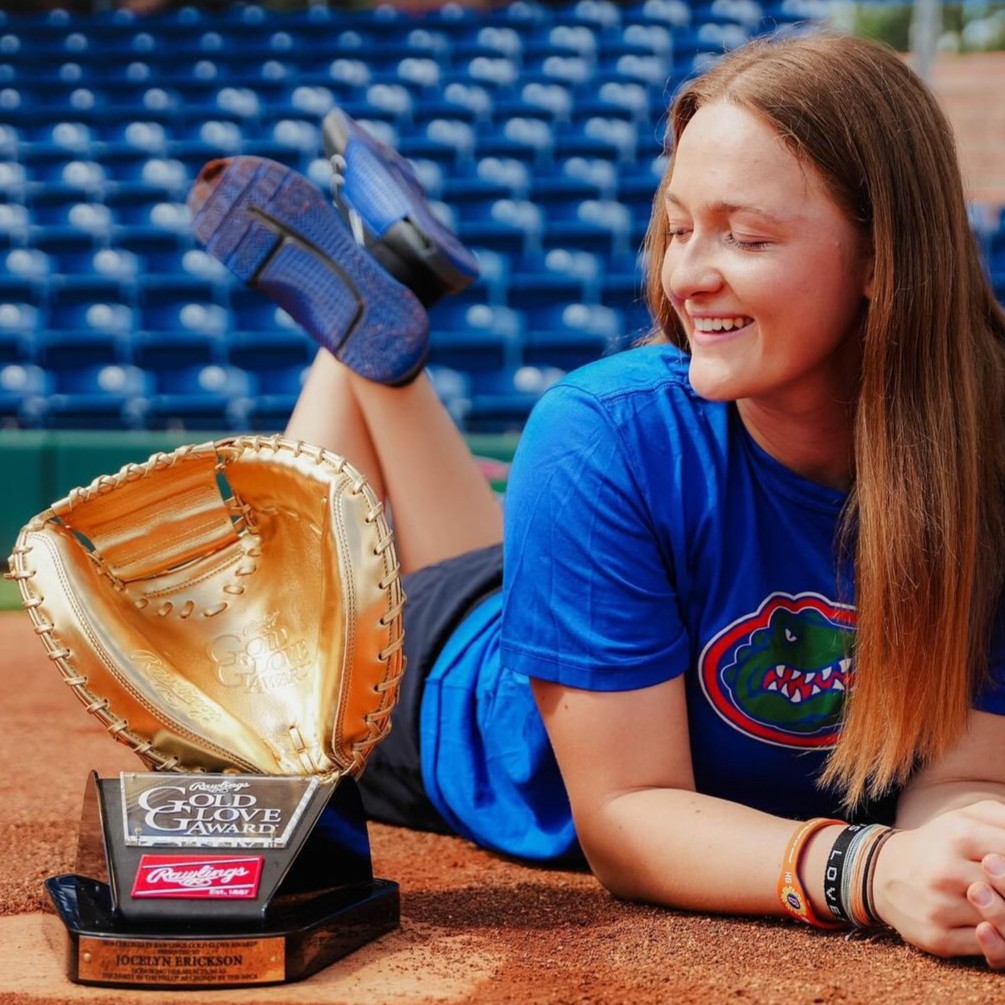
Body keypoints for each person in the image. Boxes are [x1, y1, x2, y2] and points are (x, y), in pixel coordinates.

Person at [187, 29, 1005, 966]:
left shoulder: (982, 459)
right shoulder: (600, 428)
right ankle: (353, 341)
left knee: (506, 540)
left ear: (881, 255)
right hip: (465, 693)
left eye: (745, 236)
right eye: (679, 226)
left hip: (592, 584)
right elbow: (623, 814)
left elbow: (969, 773)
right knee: (259, 685)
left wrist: (974, 870)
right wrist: (865, 869)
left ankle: (379, 307)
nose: (687, 275)